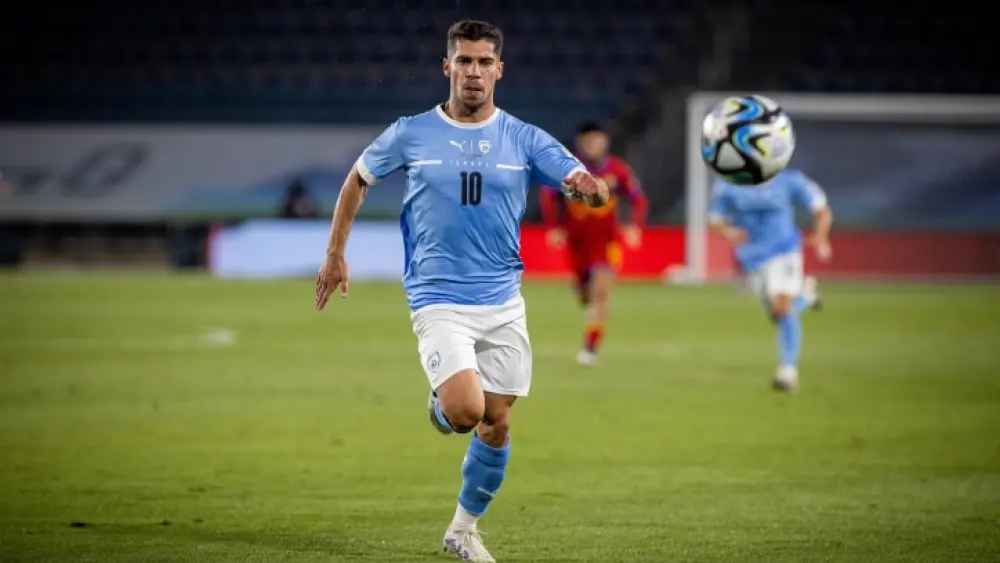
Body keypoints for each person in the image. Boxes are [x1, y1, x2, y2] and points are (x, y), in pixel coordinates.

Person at [313, 20, 609, 563]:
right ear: (447, 67)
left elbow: (590, 184)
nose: (474, 72)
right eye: (464, 61)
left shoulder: (523, 137)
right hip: (437, 296)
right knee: (467, 409)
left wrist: (590, 190)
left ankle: (463, 529)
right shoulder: (411, 132)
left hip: (503, 300)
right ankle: (441, 402)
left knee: (498, 421)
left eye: (484, 62)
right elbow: (357, 178)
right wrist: (335, 252)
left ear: (500, 69)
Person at [708, 167, 833, 392]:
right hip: (751, 257)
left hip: (784, 250)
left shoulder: (789, 180)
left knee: (783, 308)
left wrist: (820, 236)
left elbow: (821, 208)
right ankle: (806, 295)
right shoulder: (729, 185)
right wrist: (728, 232)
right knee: (778, 315)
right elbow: (715, 218)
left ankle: (788, 372)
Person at [539, 121, 647, 367]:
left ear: (606, 141)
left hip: (607, 244)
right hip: (577, 244)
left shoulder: (617, 171)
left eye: (598, 140)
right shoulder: (567, 169)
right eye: (589, 141)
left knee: (601, 292)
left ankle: (590, 346)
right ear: (580, 143)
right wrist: (555, 227)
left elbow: (638, 199)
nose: (594, 145)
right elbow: (548, 196)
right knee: (586, 295)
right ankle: (582, 292)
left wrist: (634, 226)